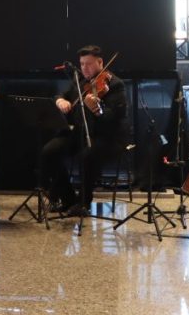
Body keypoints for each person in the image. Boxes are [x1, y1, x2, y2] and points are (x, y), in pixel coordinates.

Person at [40, 45, 129, 213]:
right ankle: (67, 198)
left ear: (100, 62)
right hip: (80, 132)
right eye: (82, 64)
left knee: (87, 155)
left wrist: (96, 109)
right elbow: (61, 94)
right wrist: (60, 101)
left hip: (107, 136)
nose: (84, 68)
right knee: (49, 151)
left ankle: (83, 203)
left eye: (88, 64)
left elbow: (115, 117)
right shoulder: (80, 81)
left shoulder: (115, 85)